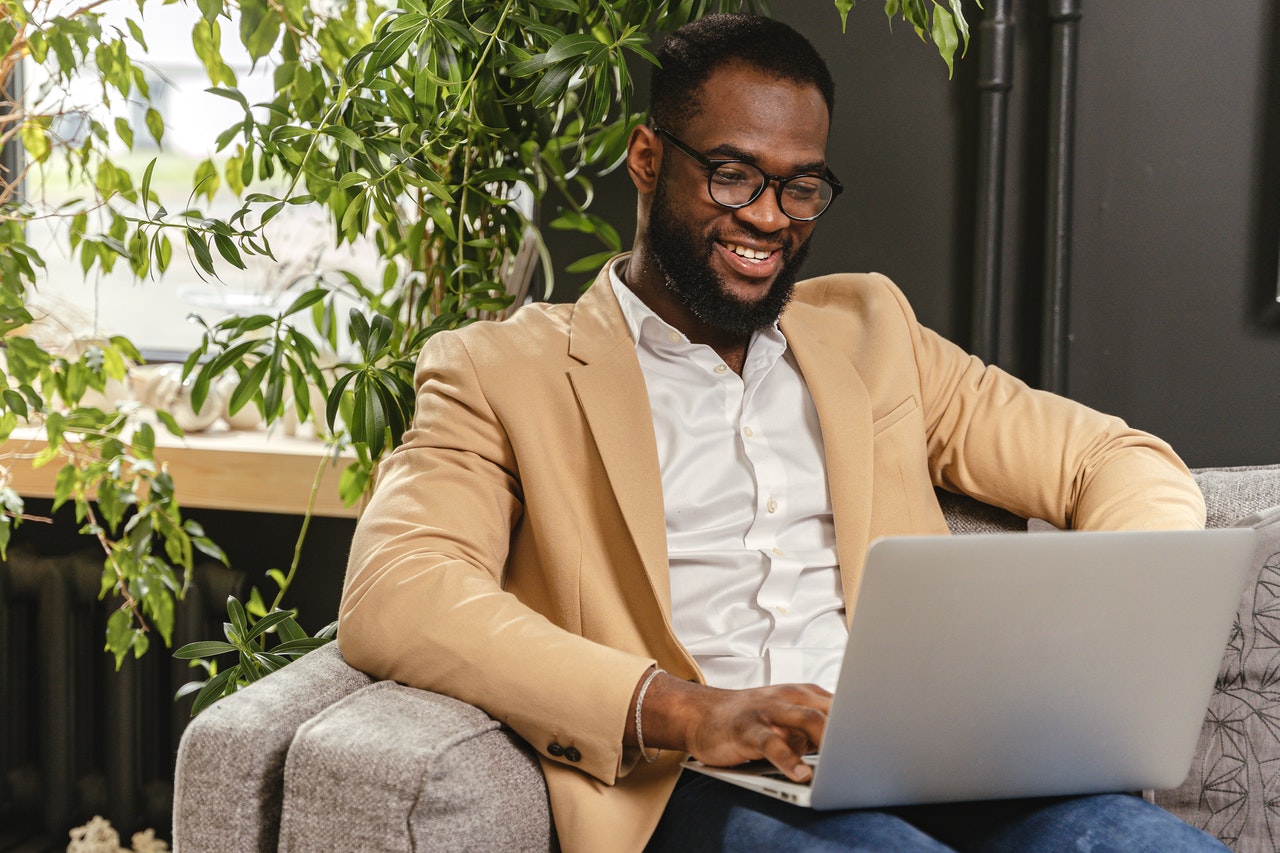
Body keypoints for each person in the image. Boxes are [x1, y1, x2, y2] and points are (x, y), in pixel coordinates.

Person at [338, 13, 1221, 853]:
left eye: (801, 187)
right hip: (699, 781)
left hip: (937, 763)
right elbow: (398, 591)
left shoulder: (872, 332)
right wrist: (688, 709)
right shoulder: (500, 370)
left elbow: (1117, 459)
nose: (769, 217)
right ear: (648, 159)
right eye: (732, 174)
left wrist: (1099, 630)